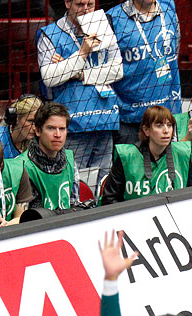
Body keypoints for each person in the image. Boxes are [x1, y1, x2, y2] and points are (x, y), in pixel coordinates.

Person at [37, 0, 123, 195]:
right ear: (67, 3)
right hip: (74, 125)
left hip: (104, 119)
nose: (86, 9)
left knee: (103, 183)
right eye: (80, 4)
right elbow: (50, 78)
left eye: (90, 4)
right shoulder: (49, 34)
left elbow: (117, 71)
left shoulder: (103, 27)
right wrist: (82, 52)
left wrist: (77, 72)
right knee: (75, 182)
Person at [107, 0, 181, 146]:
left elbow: (174, 52)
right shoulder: (112, 19)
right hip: (128, 120)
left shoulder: (169, 10)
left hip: (165, 117)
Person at [100, 105, 192, 205]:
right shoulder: (127, 156)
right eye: (159, 125)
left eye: (169, 125)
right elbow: (109, 199)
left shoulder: (183, 153)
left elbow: (191, 196)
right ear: (146, 130)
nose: (166, 130)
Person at [16, 102, 80, 210]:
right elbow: (24, 218)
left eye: (62, 129)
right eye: (51, 128)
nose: (57, 135)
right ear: (37, 131)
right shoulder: (21, 166)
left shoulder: (70, 160)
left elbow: (75, 205)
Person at [0, 94, 43, 159]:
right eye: (30, 121)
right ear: (16, 118)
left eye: (38, 122)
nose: (35, 128)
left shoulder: (35, 143)